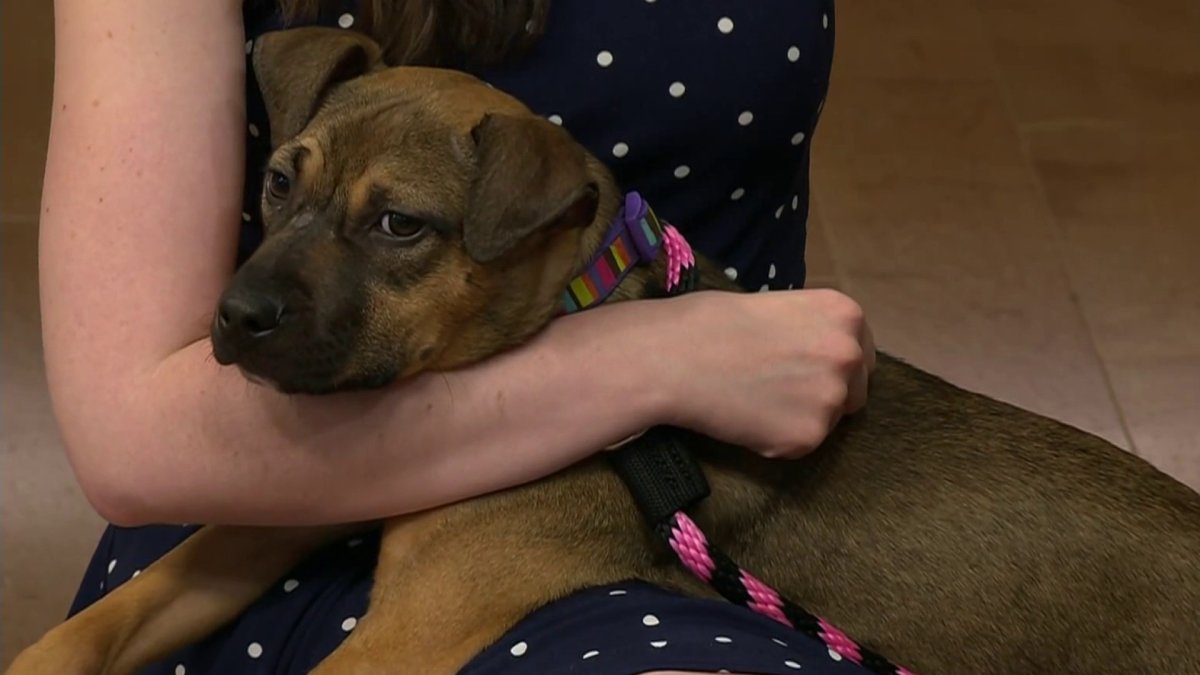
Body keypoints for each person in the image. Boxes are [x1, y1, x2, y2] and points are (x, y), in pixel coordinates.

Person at [41, 0, 877, 672]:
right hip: (260, 459)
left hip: (727, 432)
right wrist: (665, 360)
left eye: (394, 223)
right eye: (284, 185)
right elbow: (130, 439)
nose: (256, 297)